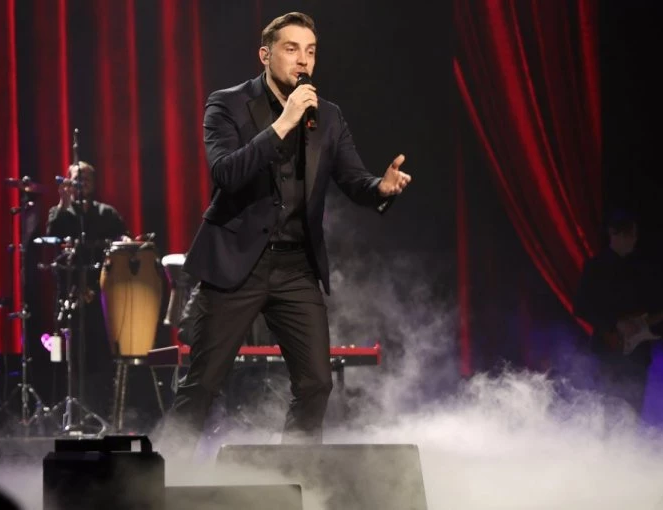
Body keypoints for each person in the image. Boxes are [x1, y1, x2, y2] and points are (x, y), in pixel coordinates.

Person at [162, 11, 411, 449]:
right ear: (265, 55)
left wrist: (381, 188)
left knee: (316, 382)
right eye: (291, 49)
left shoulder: (328, 116)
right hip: (237, 263)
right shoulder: (227, 104)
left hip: (296, 267)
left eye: (310, 51)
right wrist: (283, 123)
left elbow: (353, 179)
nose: (303, 60)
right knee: (202, 384)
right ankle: (165, 474)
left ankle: (294, 474)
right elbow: (226, 173)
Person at [573, 208, 663, 416]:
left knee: (633, 414)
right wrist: (614, 323)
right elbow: (581, 306)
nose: (635, 240)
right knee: (609, 413)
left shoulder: (640, 269)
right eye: (631, 234)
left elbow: (648, 310)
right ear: (615, 234)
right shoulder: (595, 267)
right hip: (608, 353)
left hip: (637, 357)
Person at [46, 161, 130, 421]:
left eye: (86, 179)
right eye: (76, 179)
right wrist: (63, 202)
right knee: (71, 353)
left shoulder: (106, 213)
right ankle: (73, 412)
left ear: (94, 183)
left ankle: (102, 413)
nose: (81, 184)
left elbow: (123, 239)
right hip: (70, 293)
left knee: (101, 354)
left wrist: (127, 241)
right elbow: (51, 236)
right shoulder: (60, 213)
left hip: (103, 293)